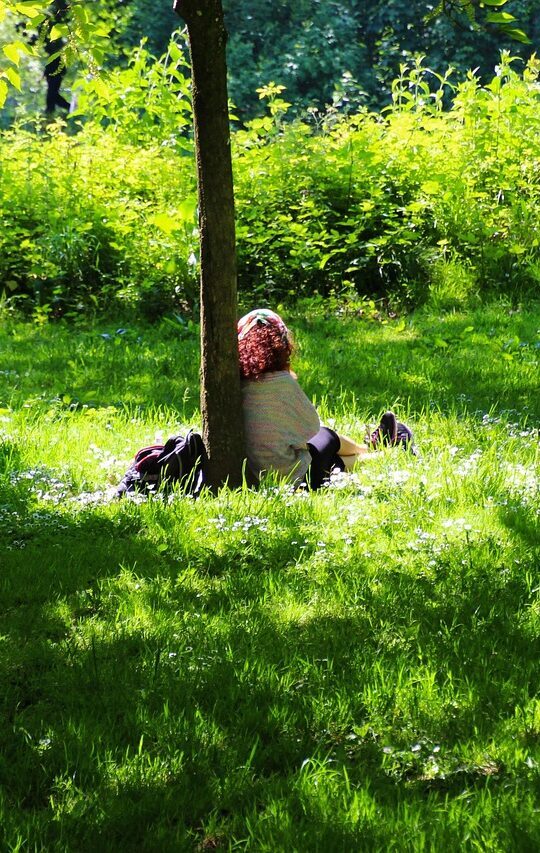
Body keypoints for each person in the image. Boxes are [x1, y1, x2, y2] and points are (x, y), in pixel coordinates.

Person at [238, 308, 376, 489]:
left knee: (331, 459)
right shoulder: (281, 382)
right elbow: (312, 429)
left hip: (255, 474)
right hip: (297, 476)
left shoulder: (237, 384)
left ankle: (373, 453)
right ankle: (371, 450)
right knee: (327, 436)